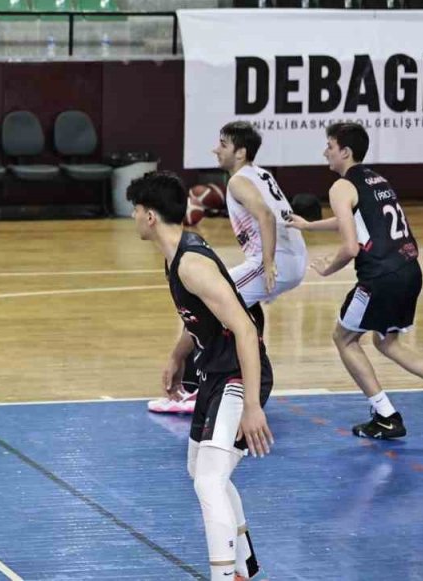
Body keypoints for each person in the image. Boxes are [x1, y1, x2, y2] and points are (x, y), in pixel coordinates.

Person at [128, 171, 273, 581]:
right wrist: (176, 357)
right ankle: (244, 566)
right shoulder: (175, 257)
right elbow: (199, 319)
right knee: (202, 472)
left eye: (136, 210)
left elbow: (245, 328)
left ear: (150, 216)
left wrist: (251, 405)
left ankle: (225, 576)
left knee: (209, 482)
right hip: (214, 372)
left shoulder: (191, 264)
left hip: (238, 376)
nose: (134, 217)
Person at [150, 121, 306, 415]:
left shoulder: (238, 181)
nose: (215, 149)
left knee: (203, 305)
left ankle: (190, 387)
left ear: (241, 152)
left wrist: (269, 262)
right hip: (291, 258)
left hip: (276, 261)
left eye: (223, 144)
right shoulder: (260, 174)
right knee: (237, 310)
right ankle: (226, 382)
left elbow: (266, 217)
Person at [290, 122, 423, 440]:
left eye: (329, 145)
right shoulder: (376, 178)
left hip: (381, 276)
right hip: (410, 269)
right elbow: (356, 217)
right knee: (387, 342)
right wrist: (310, 226)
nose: (325, 151)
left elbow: (350, 246)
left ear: (345, 151)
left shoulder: (341, 186)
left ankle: (386, 416)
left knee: (344, 339)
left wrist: (329, 267)